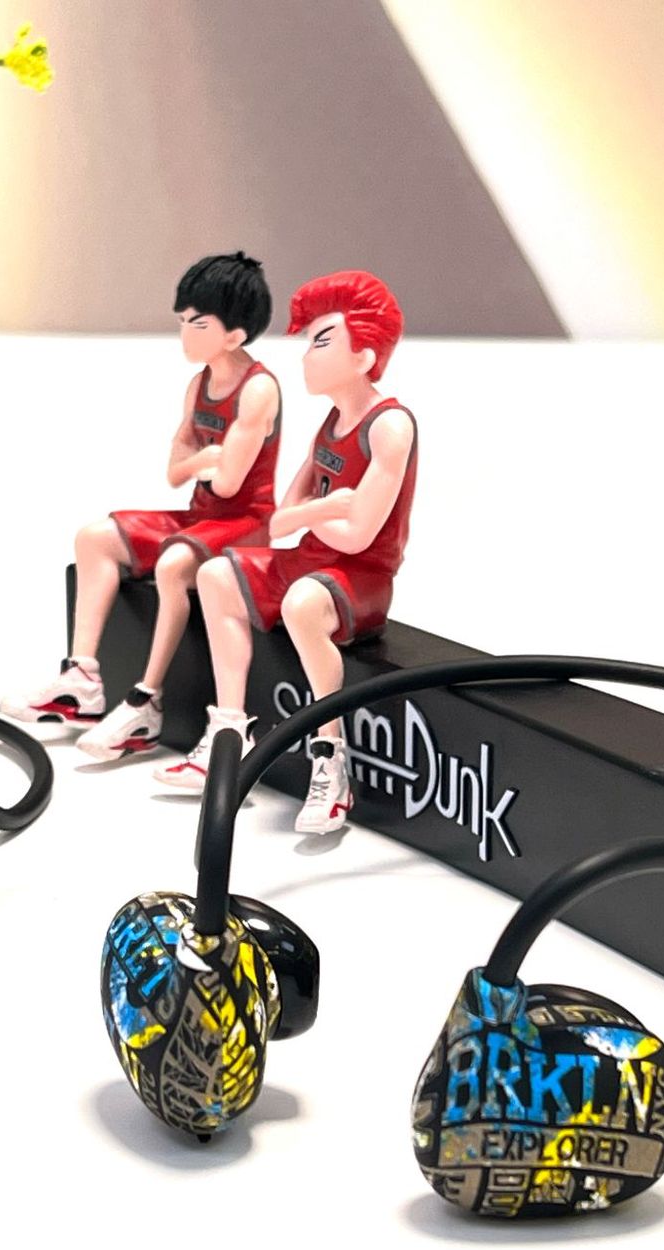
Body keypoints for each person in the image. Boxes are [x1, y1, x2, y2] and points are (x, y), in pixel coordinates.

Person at [157, 271, 415, 836]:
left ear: (363, 356)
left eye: (322, 342)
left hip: (362, 578)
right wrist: (325, 509)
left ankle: (331, 759)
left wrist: (314, 516)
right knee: (218, 574)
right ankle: (228, 731)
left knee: (301, 603)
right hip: (313, 560)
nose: (305, 356)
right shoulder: (332, 421)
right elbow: (279, 521)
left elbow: (359, 538)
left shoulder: (390, 426)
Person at [0, 253, 282, 760]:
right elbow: (176, 472)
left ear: (235, 335)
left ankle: (146, 702)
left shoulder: (258, 389)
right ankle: (82, 679)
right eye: (182, 320)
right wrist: (204, 461)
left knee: (173, 565)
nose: (185, 333)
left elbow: (228, 484)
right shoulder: (199, 384)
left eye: (198, 323)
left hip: (245, 525)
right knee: (94, 538)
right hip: (200, 519)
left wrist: (202, 463)